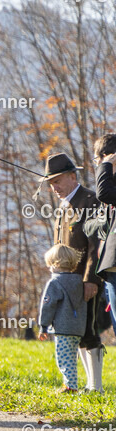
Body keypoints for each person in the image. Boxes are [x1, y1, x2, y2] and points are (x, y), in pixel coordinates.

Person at [45, 152, 108, 392]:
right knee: (75, 332)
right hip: (65, 284)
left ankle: (96, 386)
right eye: (51, 184)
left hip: (84, 282)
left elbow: (94, 247)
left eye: (58, 181)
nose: (54, 188)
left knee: (89, 331)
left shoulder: (89, 201)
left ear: (73, 176)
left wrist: (90, 280)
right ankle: (87, 385)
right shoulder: (62, 207)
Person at [37, 244, 88, 393]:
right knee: (72, 356)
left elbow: (48, 306)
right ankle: (72, 383)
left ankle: (70, 387)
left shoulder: (54, 282)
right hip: (78, 327)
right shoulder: (80, 281)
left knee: (64, 358)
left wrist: (43, 326)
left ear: (55, 263)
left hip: (63, 327)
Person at [91, 134, 116, 333]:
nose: (96, 165)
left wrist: (106, 165)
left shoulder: (108, 188)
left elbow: (103, 192)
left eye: (97, 159)